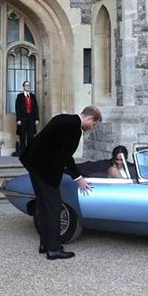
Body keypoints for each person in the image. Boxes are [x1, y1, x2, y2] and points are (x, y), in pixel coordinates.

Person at [19, 105, 102, 260]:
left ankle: (45, 244)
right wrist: (79, 178)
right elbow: (66, 156)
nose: (92, 128)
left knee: (44, 206)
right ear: (89, 118)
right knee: (53, 208)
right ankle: (53, 249)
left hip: (34, 165)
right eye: (94, 124)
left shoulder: (63, 119)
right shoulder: (74, 128)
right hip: (45, 170)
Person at [15, 81, 39, 155]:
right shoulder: (20, 96)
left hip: (31, 118)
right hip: (23, 118)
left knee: (31, 135)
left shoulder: (32, 96)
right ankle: (23, 151)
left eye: (29, 85)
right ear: (23, 87)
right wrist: (18, 119)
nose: (28, 87)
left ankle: (30, 151)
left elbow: (36, 108)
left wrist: (37, 118)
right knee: (22, 135)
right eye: (26, 85)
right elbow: (17, 108)